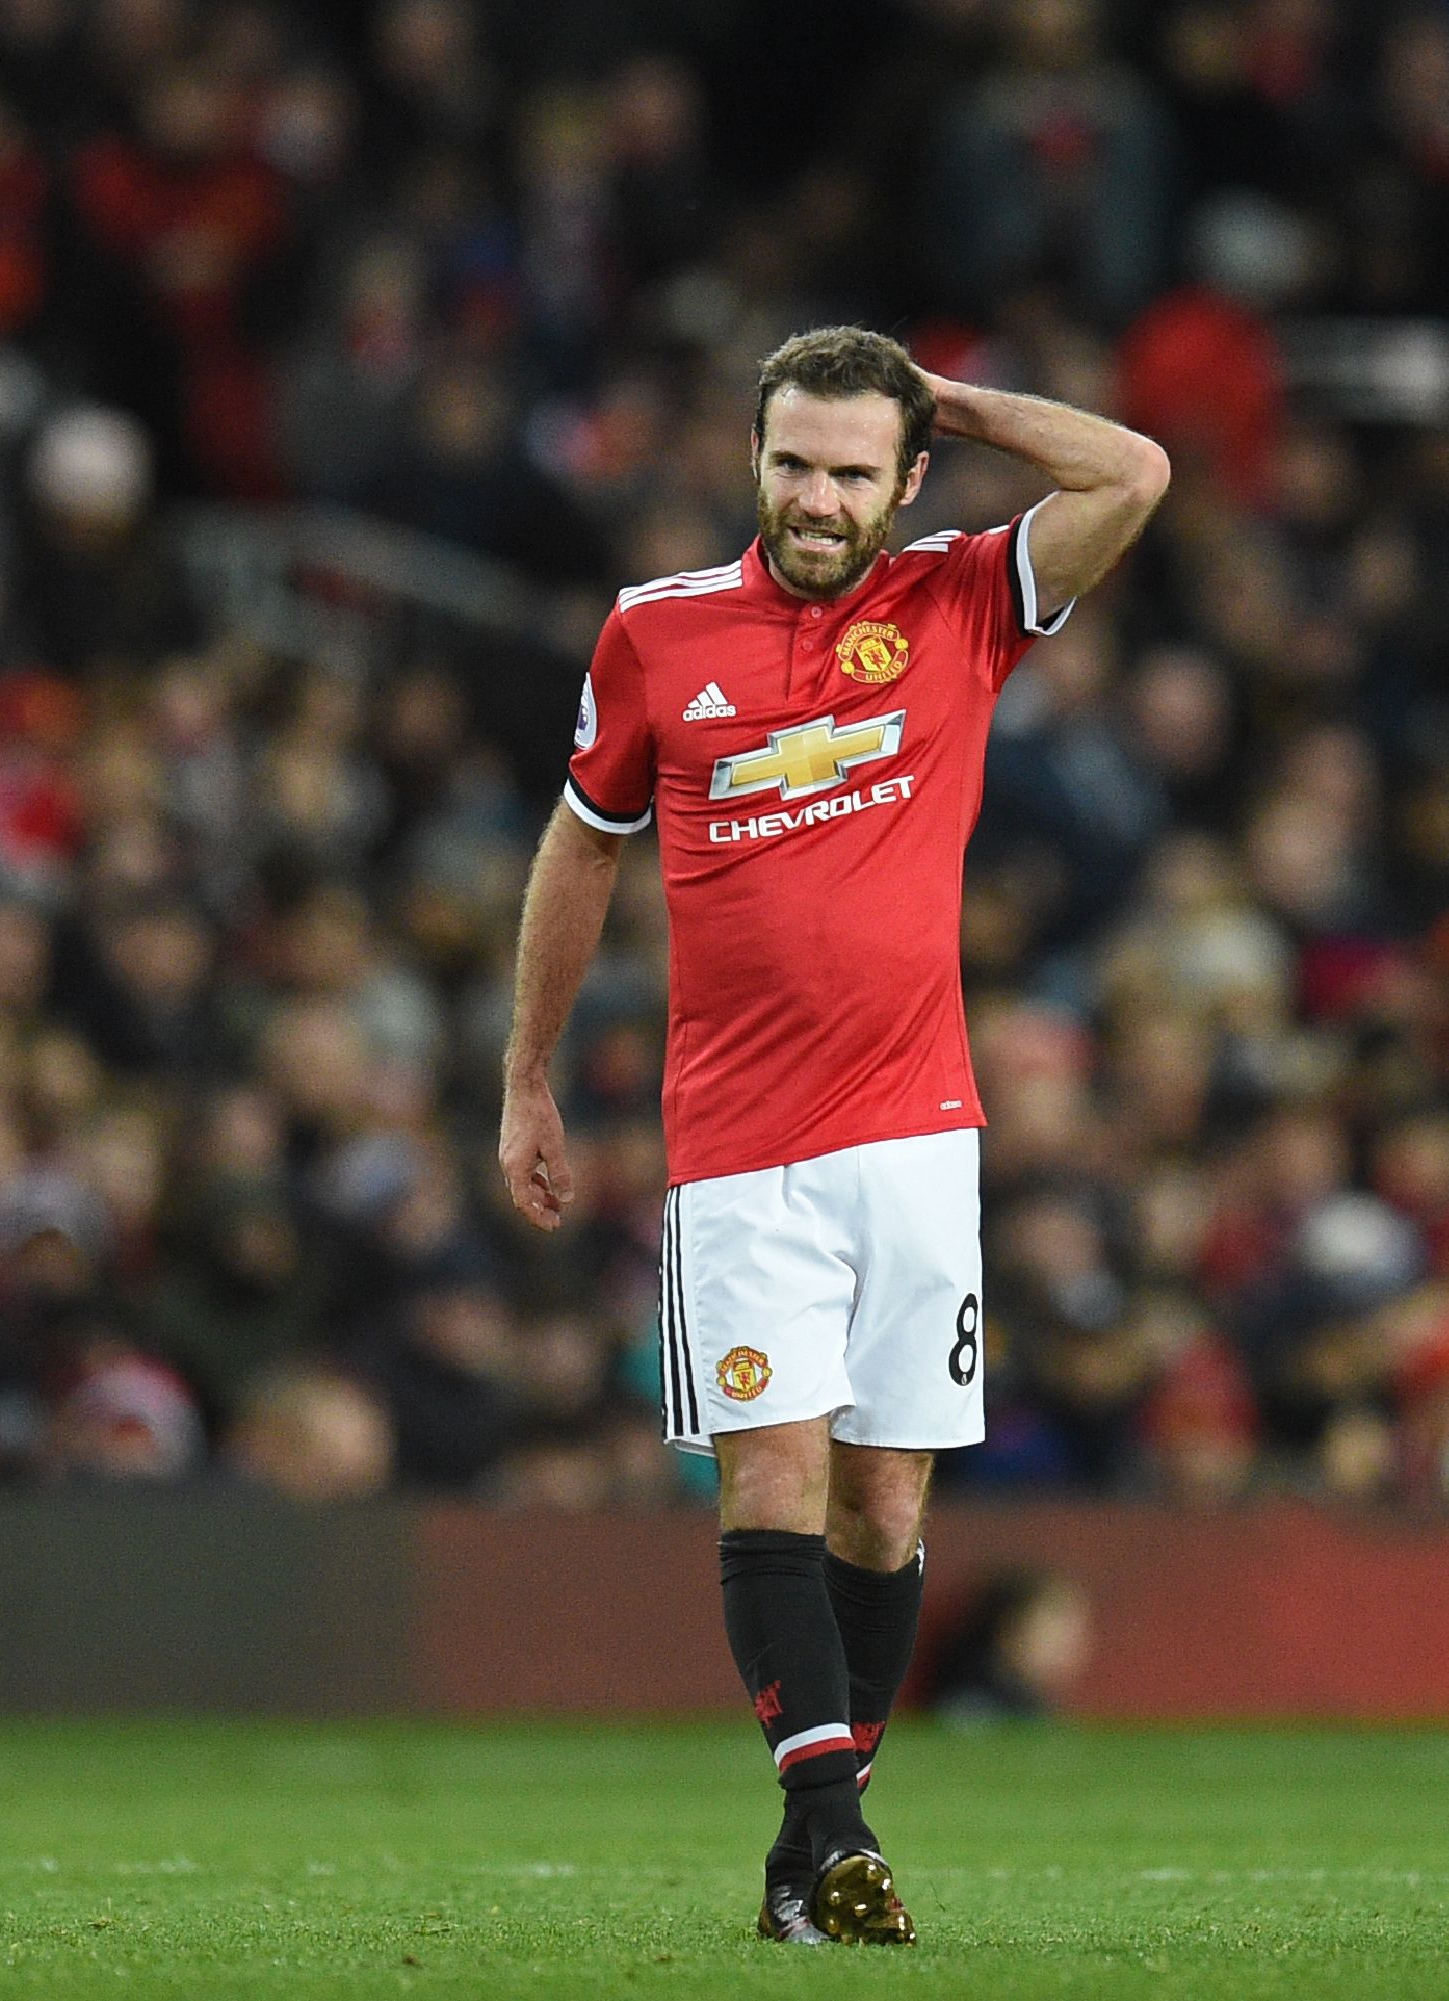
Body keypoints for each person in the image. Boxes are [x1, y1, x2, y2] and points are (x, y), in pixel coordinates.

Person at [497, 326, 1168, 1944]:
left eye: (852, 470)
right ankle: (831, 1827)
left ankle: (813, 1860)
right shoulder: (658, 634)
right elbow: (582, 847)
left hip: (921, 1140)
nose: (814, 496)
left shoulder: (958, 603)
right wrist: (526, 1072)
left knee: (883, 1507)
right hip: (735, 1149)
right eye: (791, 462)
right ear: (756, 459)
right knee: (773, 1483)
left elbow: (1134, 472)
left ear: (907, 476)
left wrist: (960, 399)